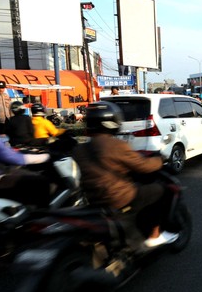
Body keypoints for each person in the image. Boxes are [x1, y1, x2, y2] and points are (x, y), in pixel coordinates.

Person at [72, 101, 168, 248]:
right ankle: (154, 236)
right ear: (112, 122)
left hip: (93, 199)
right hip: (120, 198)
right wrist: (159, 160)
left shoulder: (80, 149)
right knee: (160, 190)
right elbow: (143, 166)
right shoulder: (116, 145)